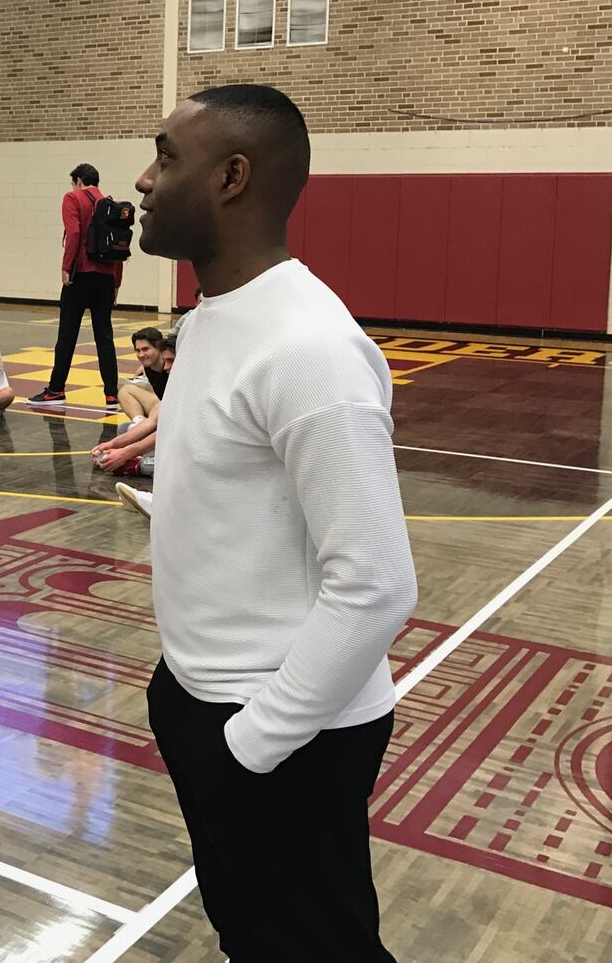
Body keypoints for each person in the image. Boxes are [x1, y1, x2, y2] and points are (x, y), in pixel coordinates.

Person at [135, 84, 418, 961]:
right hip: (204, 694)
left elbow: (376, 586)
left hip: (280, 729)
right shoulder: (217, 315)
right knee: (252, 937)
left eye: (166, 157)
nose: (143, 181)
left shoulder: (309, 349)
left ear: (231, 178)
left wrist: (250, 748)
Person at [30, 162, 123, 408]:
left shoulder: (73, 198)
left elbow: (73, 233)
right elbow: (119, 246)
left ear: (78, 181)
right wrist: (116, 284)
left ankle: (56, 389)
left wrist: (66, 267)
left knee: (67, 334)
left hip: (80, 274)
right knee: (105, 335)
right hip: (106, 277)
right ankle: (112, 394)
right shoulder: (111, 204)